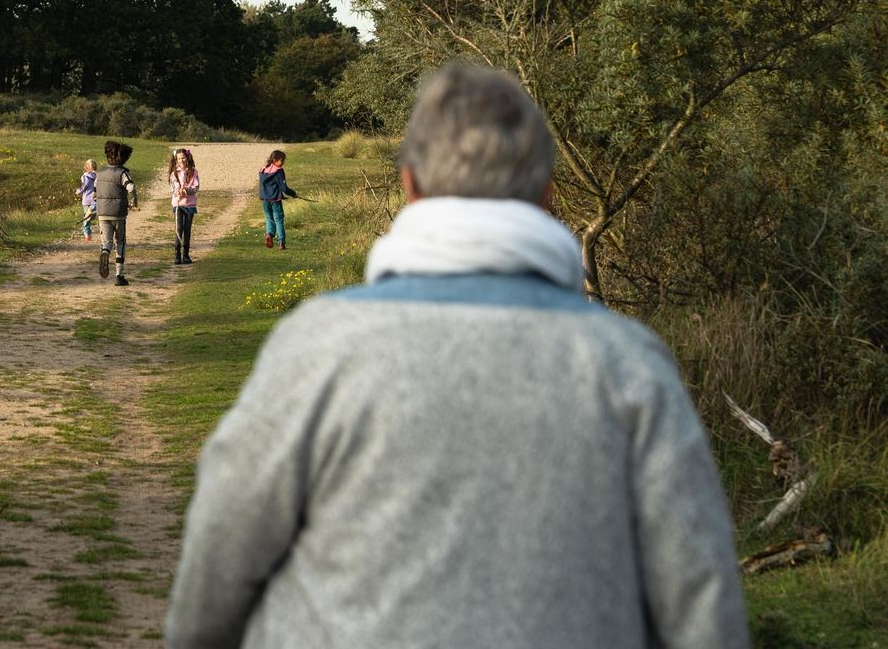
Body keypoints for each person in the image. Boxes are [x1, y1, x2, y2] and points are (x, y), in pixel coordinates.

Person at [166, 62, 748, 649]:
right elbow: (700, 600)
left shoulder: (319, 345)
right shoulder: (630, 363)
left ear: (411, 184)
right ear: (547, 191)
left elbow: (221, 550)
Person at [93, 140, 137, 286]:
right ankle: (119, 275)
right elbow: (131, 188)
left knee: (107, 241)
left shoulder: (99, 174)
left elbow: (94, 193)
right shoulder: (122, 173)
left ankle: (105, 252)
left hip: (102, 213)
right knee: (120, 242)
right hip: (118, 213)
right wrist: (134, 201)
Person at [257, 149, 299, 249]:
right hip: (275, 199)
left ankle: (269, 235)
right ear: (275, 160)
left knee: (269, 218)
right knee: (278, 220)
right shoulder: (278, 171)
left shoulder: (263, 170)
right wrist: (293, 194)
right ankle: (281, 242)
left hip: (264, 199)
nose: (283, 163)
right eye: (281, 160)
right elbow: (284, 188)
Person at [169, 148, 200, 265]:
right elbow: (173, 188)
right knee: (179, 229)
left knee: (187, 229)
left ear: (187, 158)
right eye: (178, 159)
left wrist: (187, 190)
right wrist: (178, 191)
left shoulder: (194, 172)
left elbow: (196, 187)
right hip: (178, 205)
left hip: (190, 205)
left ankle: (186, 255)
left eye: (183, 158)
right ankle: (177, 255)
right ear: (176, 160)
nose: (181, 160)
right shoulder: (174, 174)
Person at [76, 158, 98, 242]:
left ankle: (87, 233)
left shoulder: (85, 176)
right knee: (92, 215)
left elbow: (84, 186)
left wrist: (78, 191)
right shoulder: (98, 176)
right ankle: (88, 233)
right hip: (95, 199)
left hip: (86, 200)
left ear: (86, 167)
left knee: (86, 217)